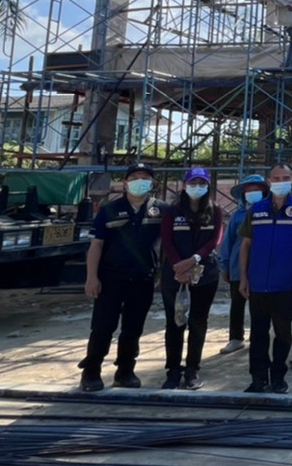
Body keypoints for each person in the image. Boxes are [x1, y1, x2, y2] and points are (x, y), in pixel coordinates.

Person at [79, 161, 164, 391]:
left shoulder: (160, 210)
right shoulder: (109, 209)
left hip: (143, 278)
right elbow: (96, 245)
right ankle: (91, 372)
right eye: (135, 177)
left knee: (133, 328)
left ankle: (125, 371)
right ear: (125, 183)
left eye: (145, 178)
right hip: (111, 278)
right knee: (103, 326)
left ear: (152, 183)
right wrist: (91, 277)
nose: (140, 181)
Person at [238, 163, 292, 393]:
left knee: (283, 333)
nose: (281, 182)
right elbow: (246, 244)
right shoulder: (256, 209)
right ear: (269, 181)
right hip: (258, 283)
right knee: (258, 335)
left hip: (286, 283)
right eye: (277, 178)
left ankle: (278, 378)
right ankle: (258, 379)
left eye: (285, 178)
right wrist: (243, 277)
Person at [159, 165, 223, 390]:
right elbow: (167, 241)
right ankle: (173, 370)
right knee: (174, 322)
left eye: (202, 183)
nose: (197, 187)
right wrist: (179, 266)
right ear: (185, 185)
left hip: (204, 274)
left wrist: (194, 259)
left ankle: (192, 369)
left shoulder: (215, 210)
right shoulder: (172, 211)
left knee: (198, 322)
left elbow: (215, 239)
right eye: (193, 183)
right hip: (175, 274)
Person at [217, 173, 265, 357]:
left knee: (259, 307)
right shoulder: (238, 216)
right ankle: (236, 338)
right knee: (237, 304)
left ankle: (257, 338)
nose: (252, 193)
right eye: (249, 190)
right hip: (238, 268)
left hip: (262, 268)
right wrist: (225, 265)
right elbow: (227, 242)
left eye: (256, 189)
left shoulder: (270, 213)